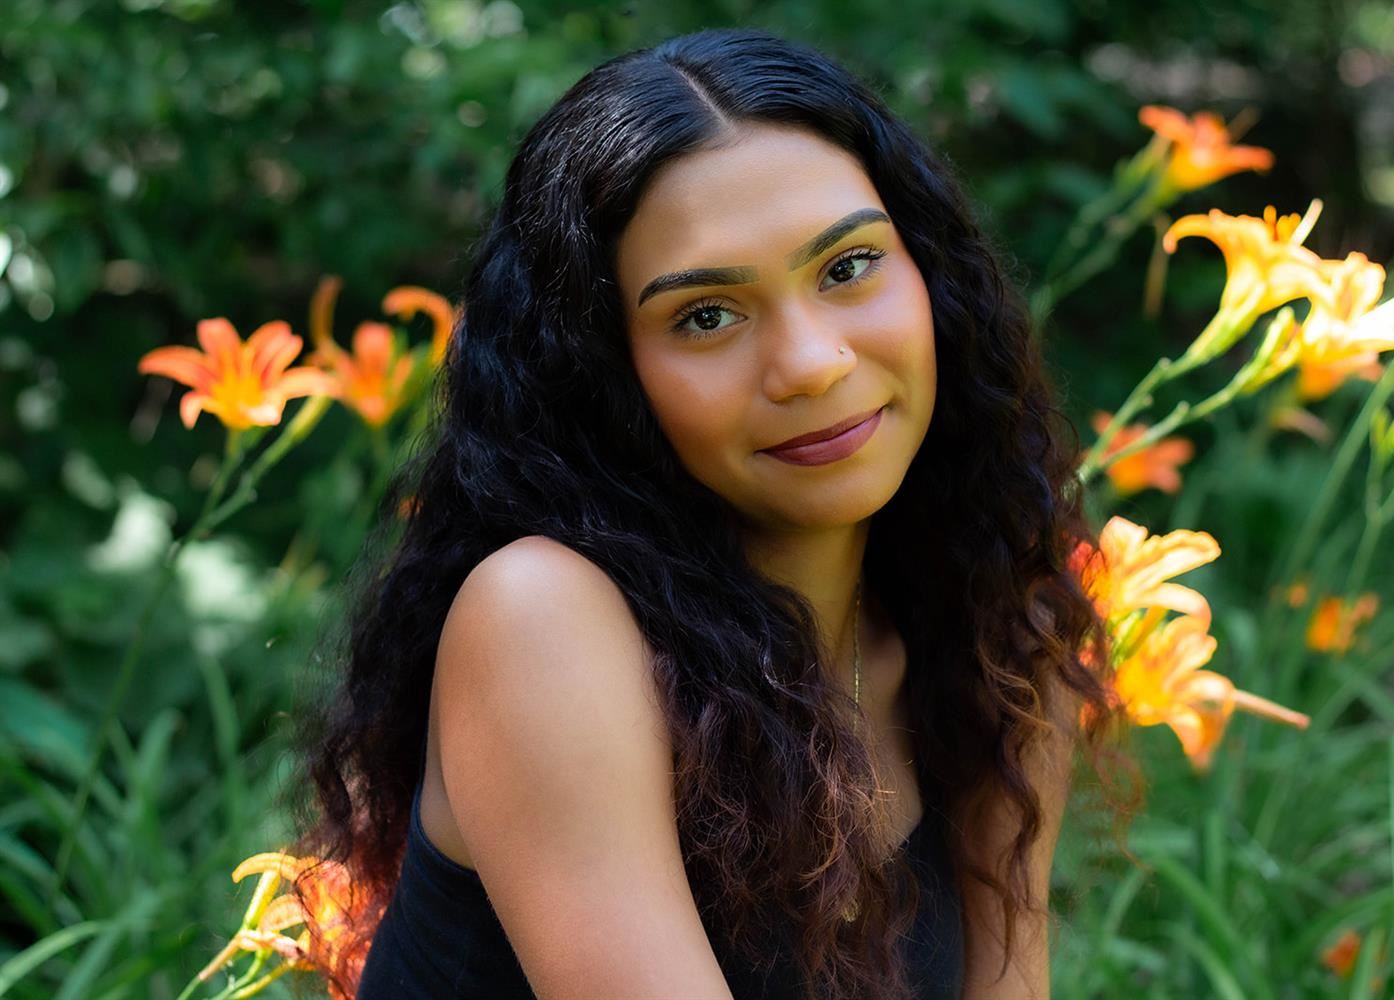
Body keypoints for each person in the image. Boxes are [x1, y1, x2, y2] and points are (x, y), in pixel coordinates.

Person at [291, 26, 1125, 1000]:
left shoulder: (1003, 630)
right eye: (706, 316)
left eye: (848, 266)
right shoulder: (544, 623)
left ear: (933, 277)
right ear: (607, 375)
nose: (812, 361)